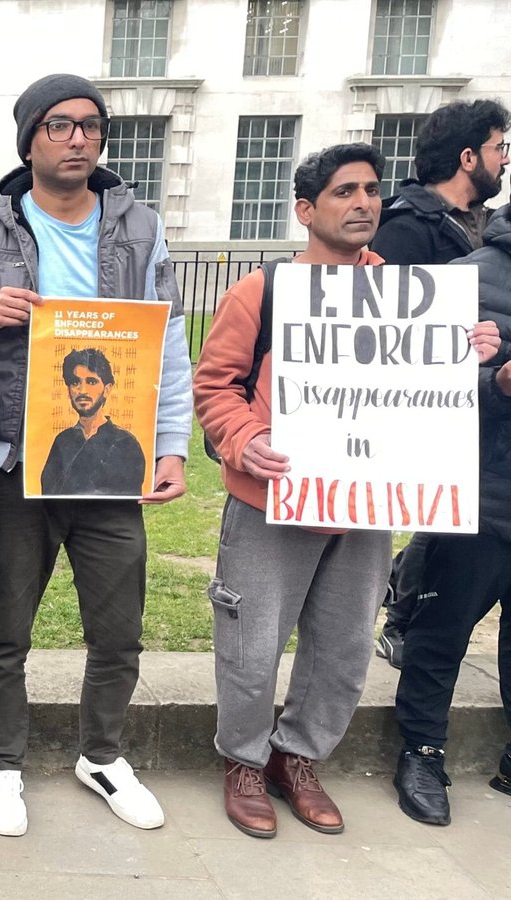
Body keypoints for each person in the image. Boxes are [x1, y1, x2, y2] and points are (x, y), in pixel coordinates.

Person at [193, 143, 498, 839]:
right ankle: (242, 762)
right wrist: (245, 441)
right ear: (306, 210)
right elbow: (215, 385)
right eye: (344, 192)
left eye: (371, 190)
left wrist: (466, 355)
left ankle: (297, 758)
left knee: (342, 645)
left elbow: (423, 397)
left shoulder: (408, 296)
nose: (364, 203)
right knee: (252, 643)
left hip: (365, 504)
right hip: (273, 498)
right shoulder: (261, 291)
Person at [0, 74, 191, 836]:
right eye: (59, 125)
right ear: (29, 139)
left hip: (114, 465)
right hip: (17, 460)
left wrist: (174, 444)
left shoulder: (141, 227)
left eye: (91, 125)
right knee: (7, 625)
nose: (78, 137)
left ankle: (104, 754)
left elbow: (170, 343)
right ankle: (1, 764)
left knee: (118, 627)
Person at [370, 98, 509, 669]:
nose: (505, 163)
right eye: (500, 149)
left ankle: (405, 613)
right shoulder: (407, 230)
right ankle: (403, 620)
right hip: (425, 405)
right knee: (440, 515)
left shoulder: (473, 229)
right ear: (468, 155)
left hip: (478, 404)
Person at [391, 201, 511, 826]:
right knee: (440, 637)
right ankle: (422, 754)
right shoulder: (469, 278)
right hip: (482, 498)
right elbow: (420, 394)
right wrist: (495, 385)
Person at [39, 347, 147, 496]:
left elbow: (127, 500)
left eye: (91, 381)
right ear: (68, 390)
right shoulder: (63, 441)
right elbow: (48, 493)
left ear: (107, 389)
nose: (82, 390)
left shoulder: (125, 442)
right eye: (75, 382)